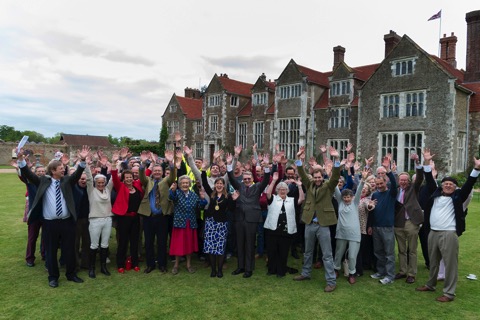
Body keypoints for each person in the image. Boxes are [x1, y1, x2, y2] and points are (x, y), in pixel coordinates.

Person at [17, 146, 90, 288]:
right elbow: (28, 174)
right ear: (52, 171)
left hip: (67, 222)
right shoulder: (43, 181)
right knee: (51, 251)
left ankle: (71, 274)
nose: (63, 169)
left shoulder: (67, 181)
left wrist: (82, 159)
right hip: (50, 224)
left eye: (63, 167)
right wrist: (20, 160)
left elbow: (77, 174)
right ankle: (53, 277)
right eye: (60, 168)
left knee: (69, 249)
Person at [416, 151, 480, 302]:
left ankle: (449, 293)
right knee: (433, 262)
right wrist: (426, 162)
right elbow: (429, 179)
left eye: (451, 184)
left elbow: (469, 184)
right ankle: (430, 285)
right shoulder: (435, 195)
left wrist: (476, 168)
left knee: (450, 264)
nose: (448, 186)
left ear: (455, 188)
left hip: (448, 234)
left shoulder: (458, 197)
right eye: (445, 184)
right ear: (442, 186)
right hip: (433, 233)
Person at [293, 145, 341, 293]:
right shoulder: (310, 184)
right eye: (315, 177)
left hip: (323, 224)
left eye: (320, 177)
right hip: (309, 223)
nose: (318, 179)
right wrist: (299, 159)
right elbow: (301, 173)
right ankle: (306, 273)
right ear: (313, 177)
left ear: (323, 177)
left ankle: (331, 281)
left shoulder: (328, 186)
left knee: (327, 255)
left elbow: (335, 177)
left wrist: (336, 159)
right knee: (308, 252)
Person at [227, 150, 271, 278]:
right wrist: (229, 164)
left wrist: (266, 167)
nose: (246, 180)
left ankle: (249, 268)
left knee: (250, 244)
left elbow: (266, 179)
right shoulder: (239, 186)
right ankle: (240, 266)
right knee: (240, 243)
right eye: (245, 179)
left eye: (248, 178)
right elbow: (231, 177)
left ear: (252, 179)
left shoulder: (257, 187)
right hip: (239, 218)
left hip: (252, 219)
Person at [138, 150, 178, 274]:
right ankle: (150, 265)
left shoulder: (166, 181)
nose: (156, 172)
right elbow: (141, 175)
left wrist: (171, 162)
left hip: (162, 217)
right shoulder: (148, 181)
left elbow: (173, 175)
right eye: (155, 171)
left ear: (162, 172)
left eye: (159, 171)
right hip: (149, 217)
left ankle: (162, 265)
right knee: (149, 242)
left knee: (162, 242)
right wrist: (143, 163)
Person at [264, 172, 304, 277]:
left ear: (287, 191)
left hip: (286, 231)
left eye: (285, 189)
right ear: (277, 191)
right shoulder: (273, 198)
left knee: (283, 251)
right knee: (272, 251)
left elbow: (301, 199)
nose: (282, 191)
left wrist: (299, 186)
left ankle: (281, 271)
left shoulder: (291, 200)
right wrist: (273, 181)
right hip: (272, 230)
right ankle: (271, 269)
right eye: (280, 189)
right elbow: (267, 194)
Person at [333, 168, 369, 284]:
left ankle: (352, 273)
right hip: (341, 233)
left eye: (348, 197)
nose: (346, 199)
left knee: (353, 256)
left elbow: (358, 191)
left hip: (354, 234)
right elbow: (335, 188)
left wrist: (363, 179)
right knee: (338, 253)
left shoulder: (355, 202)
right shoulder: (340, 202)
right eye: (345, 197)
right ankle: (336, 269)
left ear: (352, 197)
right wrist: (330, 176)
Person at [393, 153, 425, 284]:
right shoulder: (395, 190)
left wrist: (417, 162)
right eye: (401, 180)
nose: (403, 182)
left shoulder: (414, 188)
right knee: (401, 249)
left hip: (411, 221)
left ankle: (411, 274)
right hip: (398, 222)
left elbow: (420, 177)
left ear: (409, 181)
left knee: (412, 250)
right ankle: (402, 271)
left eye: (405, 180)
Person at [201, 171, 239, 278]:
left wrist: (235, 200)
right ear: (215, 185)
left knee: (220, 248)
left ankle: (220, 270)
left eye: (221, 184)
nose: (219, 185)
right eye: (217, 183)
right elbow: (204, 182)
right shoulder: (211, 194)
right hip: (211, 224)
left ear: (224, 185)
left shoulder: (228, 197)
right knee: (211, 247)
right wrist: (204, 170)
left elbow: (231, 209)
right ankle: (213, 270)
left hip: (222, 225)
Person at [169, 175, 208, 275]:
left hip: (190, 224)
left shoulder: (194, 195)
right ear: (180, 184)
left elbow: (200, 206)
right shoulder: (177, 193)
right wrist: (172, 190)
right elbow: (171, 197)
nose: (185, 184)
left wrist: (203, 198)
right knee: (178, 245)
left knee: (189, 244)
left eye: (187, 183)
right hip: (179, 223)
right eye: (183, 183)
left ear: (190, 184)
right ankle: (176, 265)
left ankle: (188, 264)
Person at [369, 156, 398, 285]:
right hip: (376, 227)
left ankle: (390, 275)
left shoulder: (391, 193)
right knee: (378, 252)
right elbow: (372, 210)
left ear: (385, 182)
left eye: (381, 183)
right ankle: (380, 272)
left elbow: (395, 183)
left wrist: (388, 170)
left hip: (387, 227)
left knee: (389, 253)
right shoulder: (375, 194)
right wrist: (371, 225)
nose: (379, 186)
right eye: (377, 184)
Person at [111, 160, 143, 273]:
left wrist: (147, 163)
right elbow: (114, 176)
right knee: (123, 242)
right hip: (124, 218)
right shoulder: (120, 187)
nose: (129, 179)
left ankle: (135, 263)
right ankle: (120, 264)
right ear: (123, 179)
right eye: (127, 177)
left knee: (134, 241)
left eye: (131, 177)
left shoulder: (137, 185)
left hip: (135, 219)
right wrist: (114, 164)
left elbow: (146, 174)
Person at [84, 161, 114, 278]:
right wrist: (85, 163)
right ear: (95, 183)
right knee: (94, 245)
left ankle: (103, 267)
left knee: (105, 244)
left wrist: (114, 165)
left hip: (107, 219)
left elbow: (112, 179)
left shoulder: (108, 189)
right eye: (99, 183)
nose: (101, 184)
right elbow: (89, 179)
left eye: (102, 182)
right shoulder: (91, 190)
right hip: (95, 220)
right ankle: (92, 268)